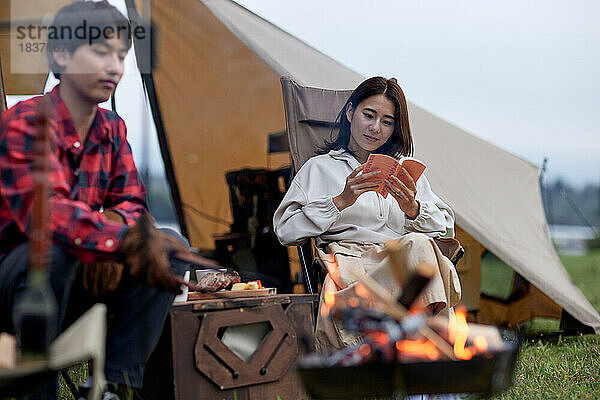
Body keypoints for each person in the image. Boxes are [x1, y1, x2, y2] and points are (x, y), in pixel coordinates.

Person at [0, 2, 187, 398]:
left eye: (121, 55)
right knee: (52, 249)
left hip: (76, 274)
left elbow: (134, 206)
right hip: (18, 282)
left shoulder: (112, 129)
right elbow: (47, 216)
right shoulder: (25, 120)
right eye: (101, 52)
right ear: (62, 54)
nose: (115, 66)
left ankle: (113, 386)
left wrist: (118, 238)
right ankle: (37, 387)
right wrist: (116, 240)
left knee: (172, 247)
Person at [273, 77, 461, 350]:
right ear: (350, 113)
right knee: (419, 253)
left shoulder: (404, 172)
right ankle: (428, 349)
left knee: (420, 245)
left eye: (387, 121)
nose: (375, 128)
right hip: (352, 265)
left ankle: (424, 351)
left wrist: (414, 210)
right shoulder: (319, 168)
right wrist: (339, 201)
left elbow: (446, 226)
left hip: (400, 263)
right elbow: (285, 231)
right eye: (368, 115)